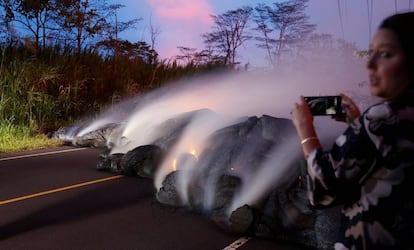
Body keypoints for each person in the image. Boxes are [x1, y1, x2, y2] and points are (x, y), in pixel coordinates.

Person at [291, 11, 414, 249]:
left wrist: (306, 130)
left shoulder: (382, 117)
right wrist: (356, 125)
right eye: (372, 53)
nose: (369, 64)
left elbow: (323, 191)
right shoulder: (393, 121)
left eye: (386, 54)